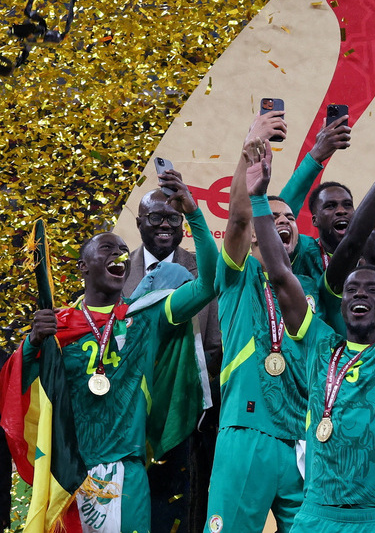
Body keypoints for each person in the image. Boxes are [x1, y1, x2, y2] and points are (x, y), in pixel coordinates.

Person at [242, 134, 375, 532]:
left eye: (372, 289)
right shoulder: (320, 343)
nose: (359, 294)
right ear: (339, 304)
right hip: (316, 516)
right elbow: (281, 276)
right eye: (351, 289)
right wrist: (257, 201)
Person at [22, 168, 218, 533]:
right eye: (107, 248)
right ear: (83, 266)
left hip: (127, 474)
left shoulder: (148, 316)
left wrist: (193, 213)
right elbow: (23, 389)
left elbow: (209, 282)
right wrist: (33, 344)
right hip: (68, 471)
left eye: (123, 250)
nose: (119, 254)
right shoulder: (58, 325)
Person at [205, 114, 312, 533]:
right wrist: (249, 151)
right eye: (274, 216)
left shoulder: (307, 290)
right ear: (254, 234)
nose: (283, 222)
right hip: (247, 432)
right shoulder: (235, 276)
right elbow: (236, 218)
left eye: (291, 219)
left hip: (301, 441)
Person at [126, 186, 223, 533]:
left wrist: (193, 395)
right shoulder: (116, 270)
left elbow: (216, 345)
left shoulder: (203, 269)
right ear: (139, 223)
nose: (165, 224)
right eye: (155, 217)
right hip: (129, 419)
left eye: (173, 217)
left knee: (184, 510)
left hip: (188, 417)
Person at [277, 112, 353, 278]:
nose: (341, 211)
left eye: (347, 205)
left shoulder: (370, 252)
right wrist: (316, 156)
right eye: (330, 206)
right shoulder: (304, 250)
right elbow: (280, 213)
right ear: (315, 220)